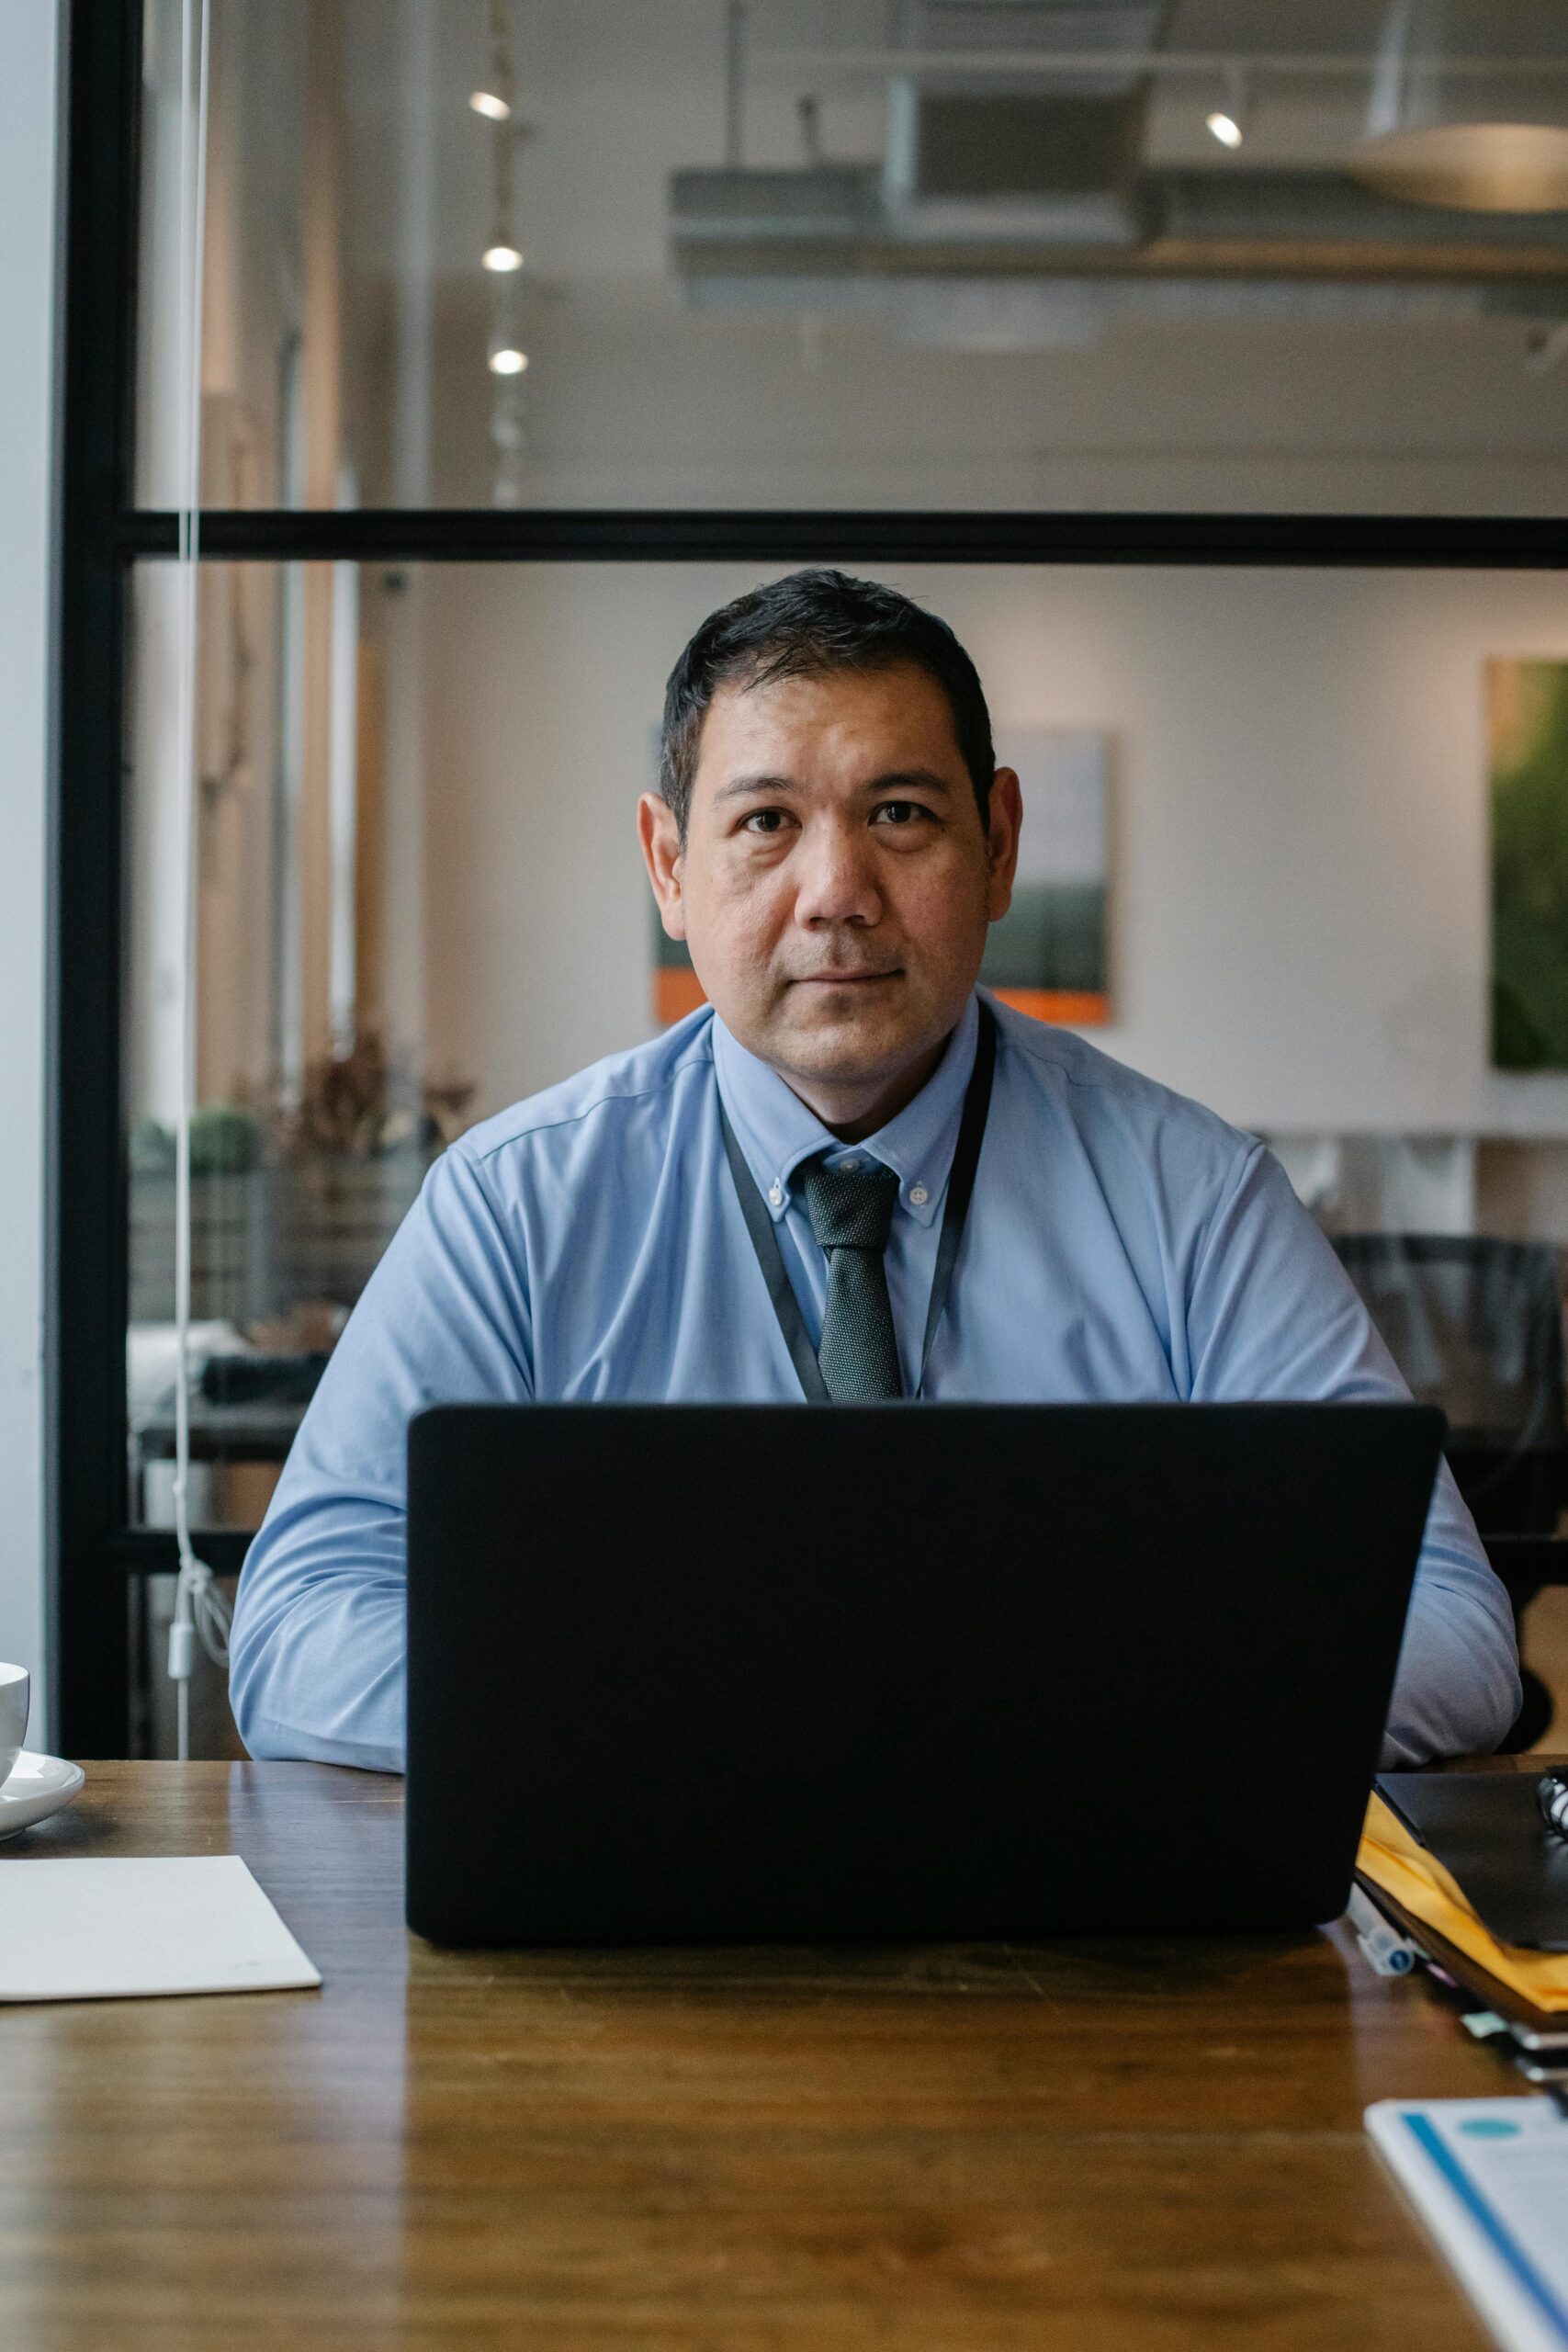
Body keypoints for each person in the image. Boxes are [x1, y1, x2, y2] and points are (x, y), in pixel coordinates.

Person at [229, 568, 1520, 1772]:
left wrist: (1048, 1709)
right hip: (648, 1938)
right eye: (767, 823)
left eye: (900, 815)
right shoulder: (517, 1205)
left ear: (1000, 842)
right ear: (670, 866)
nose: (837, 891)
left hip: (1093, 1948)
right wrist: (698, 1712)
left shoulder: (1193, 1196)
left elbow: (1453, 1626)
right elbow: (297, 1628)